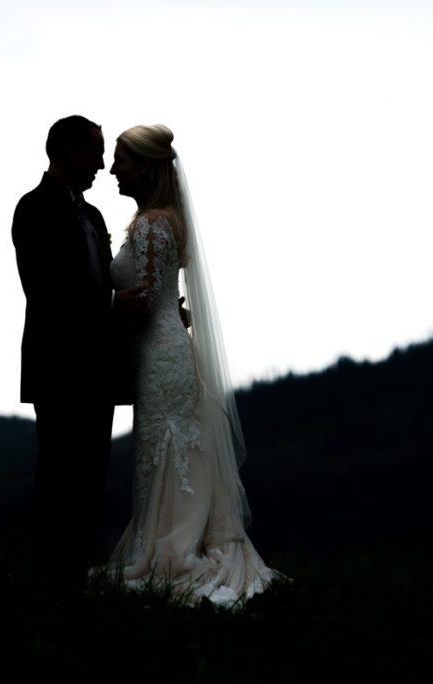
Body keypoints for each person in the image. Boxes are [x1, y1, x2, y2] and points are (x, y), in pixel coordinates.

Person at [90, 124, 281, 606]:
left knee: (163, 449)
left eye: (123, 160)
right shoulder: (164, 220)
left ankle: (168, 551)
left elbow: (146, 300)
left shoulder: (153, 223)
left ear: (146, 166)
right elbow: (162, 299)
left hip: (160, 356)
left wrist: (107, 310)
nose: (114, 170)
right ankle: (167, 542)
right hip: (164, 350)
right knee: (164, 452)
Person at [11, 115, 145, 590]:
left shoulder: (93, 216)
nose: (102, 164)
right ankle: (52, 575)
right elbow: (44, 290)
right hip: (57, 364)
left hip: (99, 367)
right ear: (66, 150)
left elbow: (103, 277)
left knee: (92, 474)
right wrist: (113, 303)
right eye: (95, 152)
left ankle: (78, 573)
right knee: (59, 471)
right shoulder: (33, 209)